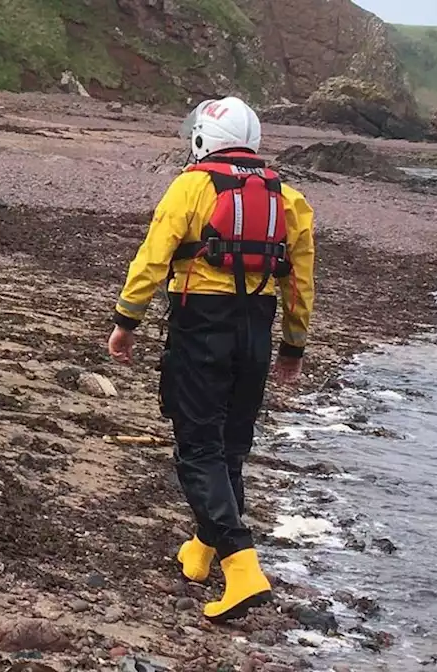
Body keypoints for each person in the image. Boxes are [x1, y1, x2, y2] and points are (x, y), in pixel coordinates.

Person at [107, 96, 316, 622]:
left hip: (201, 324)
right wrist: (293, 346)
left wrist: (126, 321)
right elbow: (301, 281)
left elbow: (153, 257)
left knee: (197, 450)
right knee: (230, 447)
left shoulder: (190, 186)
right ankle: (201, 551)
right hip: (257, 328)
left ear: (203, 138)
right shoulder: (288, 197)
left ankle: (243, 569)